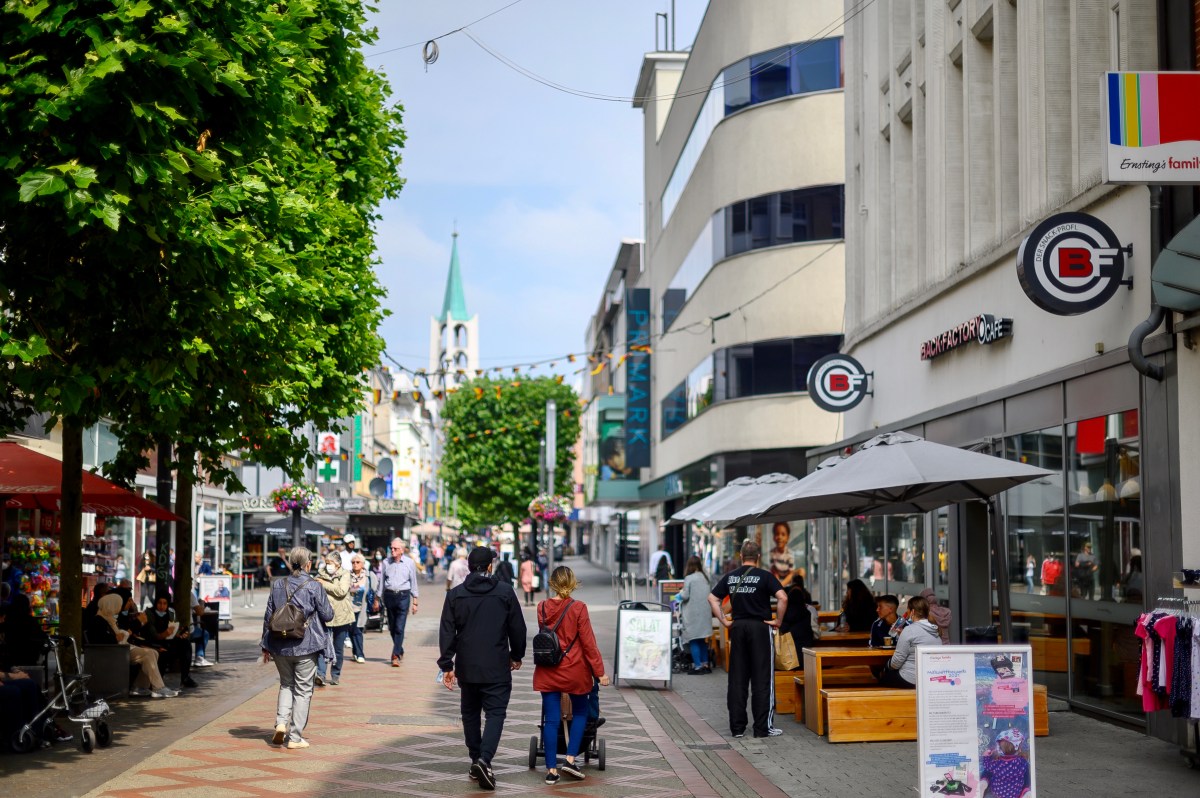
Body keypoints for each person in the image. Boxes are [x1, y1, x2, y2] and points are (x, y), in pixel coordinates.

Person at [438, 547, 527, 791]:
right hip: (497, 665)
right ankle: (484, 759)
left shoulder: (455, 595)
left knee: (470, 714)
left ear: (469, 567)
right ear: (490, 566)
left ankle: (476, 758)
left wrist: (447, 664)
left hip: (467, 666)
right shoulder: (505, 592)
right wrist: (516, 655)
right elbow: (517, 628)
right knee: (495, 714)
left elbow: (447, 631)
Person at [532, 566, 609, 784]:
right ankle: (570, 759)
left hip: (548, 670)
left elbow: (548, 636)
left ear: (552, 583)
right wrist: (600, 672)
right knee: (581, 712)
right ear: (573, 582)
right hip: (575, 670)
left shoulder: (542, 607)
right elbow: (588, 643)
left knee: (551, 720)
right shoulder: (579, 608)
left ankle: (551, 772)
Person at [707, 540, 787, 738]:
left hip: (739, 628)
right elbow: (783, 597)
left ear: (741, 557)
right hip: (760, 628)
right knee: (762, 678)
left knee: (737, 679)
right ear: (758, 558)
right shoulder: (765, 576)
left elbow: (712, 599)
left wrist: (724, 621)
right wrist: (777, 621)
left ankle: (737, 728)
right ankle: (762, 728)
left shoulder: (731, 577)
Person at [260, 546, 334, 749]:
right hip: (306, 644)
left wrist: (264, 645)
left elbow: (268, 616)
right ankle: (295, 737)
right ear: (308, 563)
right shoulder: (313, 585)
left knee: (286, 685)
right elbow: (328, 615)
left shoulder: (277, 584)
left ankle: (281, 723)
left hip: (279, 645)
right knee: (303, 690)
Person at [88, 593, 178, 698]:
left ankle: (139, 687)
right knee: (148, 654)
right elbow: (101, 639)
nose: (119, 608)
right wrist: (117, 637)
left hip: (121, 648)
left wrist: (121, 636)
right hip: (115, 651)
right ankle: (158, 688)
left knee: (154, 652)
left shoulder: (110, 619)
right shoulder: (99, 620)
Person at [878, 595, 943, 688]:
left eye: (908, 610)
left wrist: (886, 666)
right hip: (930, 678)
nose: (906, 613)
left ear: (912, 612)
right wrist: (902, 635)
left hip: (911, 679)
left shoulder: (909, 630)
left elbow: (896, 662)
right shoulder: (935, 630)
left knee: (882, 680)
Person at [380, 537, 420, 666]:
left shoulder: (409, 563)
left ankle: (395, 655)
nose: (392, 550)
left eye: (395, 548)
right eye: (391, 548)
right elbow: (381, 582)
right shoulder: (386, 562)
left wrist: (415, 601)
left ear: (402, 550)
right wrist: (377, 598)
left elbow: (413, 582)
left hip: (403, 596)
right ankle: (399, 648)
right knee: (392, 627)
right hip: (389, 596)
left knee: (399, 627)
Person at [315, 552, 353, 686]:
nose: (328, 566)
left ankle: (335, 674)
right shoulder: (320, 575)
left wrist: (324, 584)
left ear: (338, 564)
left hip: (341, 616)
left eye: (330, 563)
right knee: (322, 646)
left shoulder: (345, 574)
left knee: (338, 647)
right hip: (325, 615)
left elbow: (341, 591)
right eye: (326, 563)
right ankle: (320, 674)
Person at [146, 595, 198, 688]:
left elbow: (174, 630)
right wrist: (164, 634)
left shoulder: (170, 613)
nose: (162, 606)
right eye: (159, 603)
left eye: (165, 603)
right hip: (154, 643)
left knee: (185, 644)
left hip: (169, 641)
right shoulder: (150, 613)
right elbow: (153, 634)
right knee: (163, 652)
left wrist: (180, 634)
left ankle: (185, 677)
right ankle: (157, 683)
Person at [677, 555, 713, 674]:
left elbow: (685, 596)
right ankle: (705, 664)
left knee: (693, 640)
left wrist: (679, 594)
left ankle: (697, 666)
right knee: (702, 640)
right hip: (705, 613)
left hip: (693, 614)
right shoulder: (706, 577)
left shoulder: (689, 578)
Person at [0, 594, 48, 670]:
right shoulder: (31, 621)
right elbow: (42, 637)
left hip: (12, 659)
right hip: (30, 659)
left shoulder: (10, 621)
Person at [348, 552, 377, 664]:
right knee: (351, 631)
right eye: (353, 562)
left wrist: (375, 602)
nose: (355, 564)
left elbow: (375, 590)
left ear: (363, 564)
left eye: (357, 562)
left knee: (357, 630)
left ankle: (360, 654)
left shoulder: (369, 575)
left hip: (363, 608)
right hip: (349, 607)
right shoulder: (347, 575)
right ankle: (356, 652)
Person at [778, 579, 819, 654]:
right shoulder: (808, 614)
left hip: (789, 658)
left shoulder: (784, 615)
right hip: (806, 654)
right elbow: (815, 634)